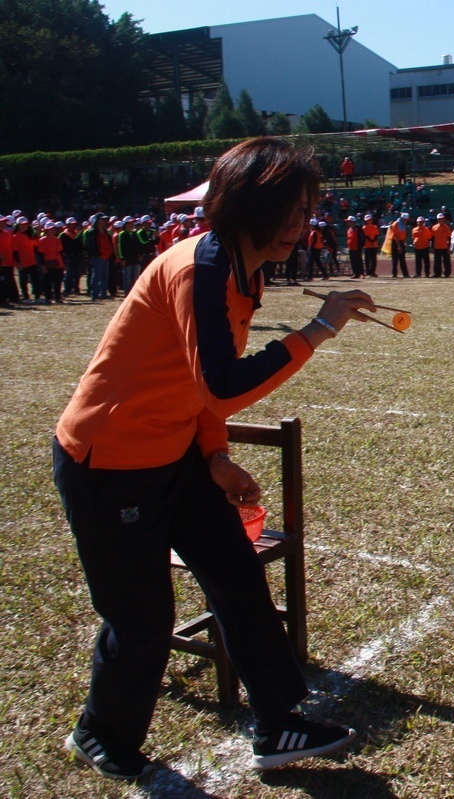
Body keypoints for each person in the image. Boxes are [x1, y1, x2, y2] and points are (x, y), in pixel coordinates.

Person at [53, 138, 364, 782]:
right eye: (285, 208)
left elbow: (195, 387)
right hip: (110, 461)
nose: (295, 226)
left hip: (176, 452)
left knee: (237, 576)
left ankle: (279, 722)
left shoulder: (244, 269)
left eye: (304, 210)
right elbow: (222, 383)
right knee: (142, 620)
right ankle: (99, 732)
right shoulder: (203, 267)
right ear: (244, 203)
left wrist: (214, 453)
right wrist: (318, 329)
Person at [431, 212, 452, 278]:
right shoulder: (434, 227)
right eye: (440, 219)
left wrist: (449, 247)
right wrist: (432, 247)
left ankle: (447, 273)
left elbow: (449, 238)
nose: (442, 220)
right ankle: (437, 273)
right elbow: (432, 238)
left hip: (445, 247)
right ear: (438, 220)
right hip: (437, 247)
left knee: (446, 261)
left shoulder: (447, 227)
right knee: (437, 261)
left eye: (443, 219)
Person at [389, 213, 409, 278]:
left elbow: (404, 234)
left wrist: (404, 242)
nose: (406, 221)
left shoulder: (403, 224)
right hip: (395, 242)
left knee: (402, 259)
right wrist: (399, 246)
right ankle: (394, 274)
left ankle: (405, 274)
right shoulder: (396, 224)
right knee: (395, 259)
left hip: (401, 242)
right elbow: (395, 236)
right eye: (405, 219)